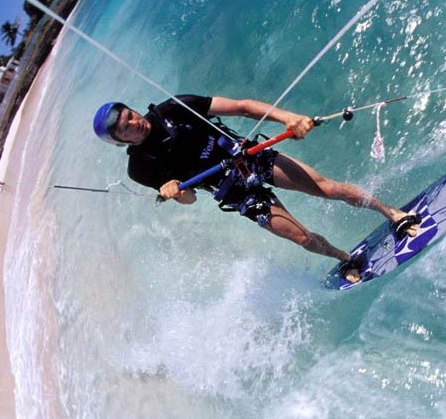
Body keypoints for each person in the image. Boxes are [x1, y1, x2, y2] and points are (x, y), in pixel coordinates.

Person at [92, 95, 421, 283]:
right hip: (233, 191)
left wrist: (288, 117)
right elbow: (190, 199)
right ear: (121, 141)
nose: (135, 123)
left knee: (325, 187)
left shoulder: (174, 108)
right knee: (301, 237)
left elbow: (243, 107)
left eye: (130, 115)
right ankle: (346, 259)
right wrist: (176, 193)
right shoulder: (140, 168)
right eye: (126, 128)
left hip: (250, 158)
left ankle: (393, 213)